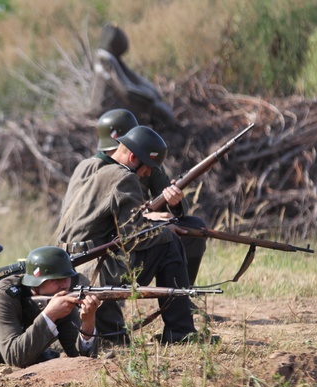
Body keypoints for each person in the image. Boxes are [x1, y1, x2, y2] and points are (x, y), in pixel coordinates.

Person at [57, 125, 208, 344]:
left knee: (117, 342)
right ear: (133, 156)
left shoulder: (93, 170)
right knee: (169, 242)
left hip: (74, 265)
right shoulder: (123, 178)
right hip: (98, 268)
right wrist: (163, 229)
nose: (147, 174)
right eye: (147, 168)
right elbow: (133, 236)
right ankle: (180, 332)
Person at [95, 109, 207, 285]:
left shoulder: (145, 162)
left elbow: (177, 206)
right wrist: (146, 218)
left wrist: (174, 204)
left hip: (141, 227)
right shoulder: (96, 171)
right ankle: (174, 302)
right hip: (114, 238)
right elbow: (105, 220)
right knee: (167, 239)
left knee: (194, 228)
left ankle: (184, 294)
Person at [89, 24, 175, 130]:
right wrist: (148, 99)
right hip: (105, 113)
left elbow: (135, 79)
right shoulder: (103, 60)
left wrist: (152, 93)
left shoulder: (113, 59)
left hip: (118, 110)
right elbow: (125, 89)